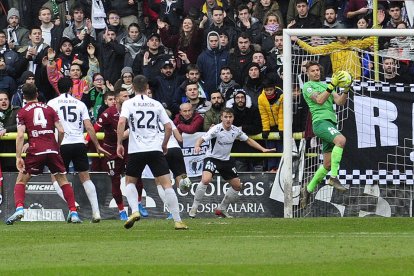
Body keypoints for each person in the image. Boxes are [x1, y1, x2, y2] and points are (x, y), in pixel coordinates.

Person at [117, 75, 188, 230]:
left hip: (136, 150)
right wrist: (164, 144)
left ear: (133, 88)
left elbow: (122, 122)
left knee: (130, 182)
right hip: (155, 149)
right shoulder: (156, 104)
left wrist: (119, 143)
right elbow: (168, 127)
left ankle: (135, 211)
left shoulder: (128, 103)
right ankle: (178, 220)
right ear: (147, 87)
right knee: (167, 184)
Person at [6, 83, 80, 225]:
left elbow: (20, 135)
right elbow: (62, 130)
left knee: (21, 180)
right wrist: (56, 146)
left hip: (35, 149)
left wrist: (18, 157)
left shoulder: (22, 111)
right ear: (37, 93)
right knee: (63, 180)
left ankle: (20, 208)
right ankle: (74, 212)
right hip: (52, 149)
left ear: (23, 96)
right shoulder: (49, 108)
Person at [189, 107, 274, 218]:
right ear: (221, 118)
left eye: (230, 117)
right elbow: (202, 139)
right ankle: (194, 208)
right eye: (225, 117)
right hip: (212, 158)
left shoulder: (235, 130)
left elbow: (248, 140)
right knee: (205, 180)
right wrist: (197, 145)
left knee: (237, 186)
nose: (228, 119)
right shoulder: (216, 129)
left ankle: (221, 208)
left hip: (226, 160)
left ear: (233, 118)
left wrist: (262, 149)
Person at [47, 77, 110, 223]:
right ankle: (96, 212)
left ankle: (73, 205)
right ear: (71, 88)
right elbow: (89, 126)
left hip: (61, 144)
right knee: (85, 177)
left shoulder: (52, 103)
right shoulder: (80, 104)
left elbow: (49, 126)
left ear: (58, 88)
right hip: (78, 143)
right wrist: (97, 144)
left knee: (56, 177)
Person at [91, 87, 148, 220]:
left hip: (130, 148)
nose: (128, 98)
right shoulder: (107, 114)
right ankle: (121, 210)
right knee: (115, 180)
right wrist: (96, 145)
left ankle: (139, 203)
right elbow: (93, 129)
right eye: (125, 96)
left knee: (136, 176)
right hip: (111, 151)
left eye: (128, 96)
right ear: (117, 99)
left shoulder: (133, 110)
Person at [302, 61, 349, 194]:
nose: (316, 72)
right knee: (341, 140)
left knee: (327, 165)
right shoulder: (308, 86)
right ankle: (334, 178)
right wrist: (332, 84)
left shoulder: (325, 85)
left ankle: (307, 190)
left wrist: (346, 90)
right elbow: (319, 100)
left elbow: (340, 102)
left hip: (330, 123)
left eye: (317, 70)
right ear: (308, 73)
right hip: (320, 123)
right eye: (313, 71)